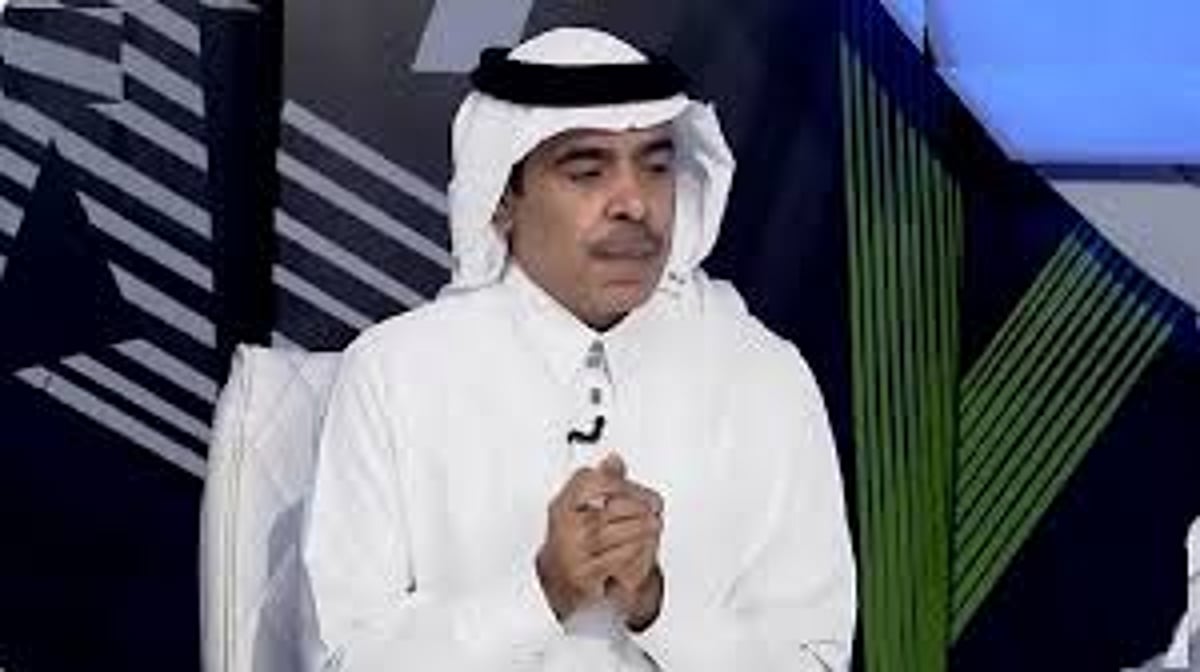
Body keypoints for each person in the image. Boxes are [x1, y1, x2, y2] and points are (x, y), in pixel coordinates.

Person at [299, 26, 855, 671]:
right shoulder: (398, 373)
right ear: (502, 199)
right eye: (588, 171)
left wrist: (657, 605)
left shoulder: (762, 376)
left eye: (656, 166)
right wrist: (540, 593)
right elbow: (341, 660)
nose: (635, 204)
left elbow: (815, 660)